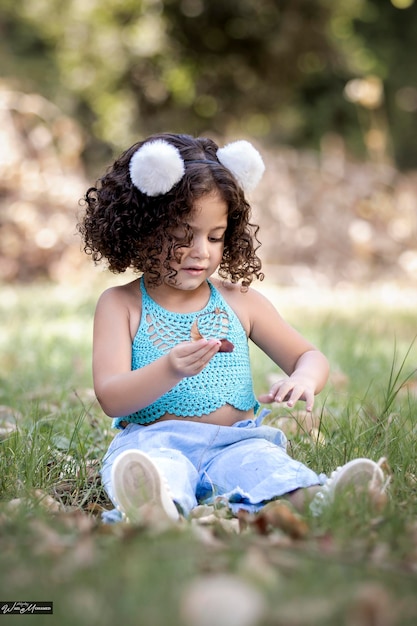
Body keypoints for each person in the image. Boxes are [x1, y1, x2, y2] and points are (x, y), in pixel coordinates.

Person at [78, 132, 388, 524]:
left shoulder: (240, 301)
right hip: (155, 442)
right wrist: (169, 368)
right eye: (180, 236)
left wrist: (306, 379)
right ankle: (156, 506)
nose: (201, 252)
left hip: (238, 443)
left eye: (215, 236)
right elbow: (111, 397)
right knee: (158, 472)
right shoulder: (121, 305)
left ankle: (322, 500)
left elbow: (308, 355)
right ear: (141, 229)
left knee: (270, 471)